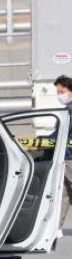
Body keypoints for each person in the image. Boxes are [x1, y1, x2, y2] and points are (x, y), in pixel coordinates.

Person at [54, 75, 72, 226]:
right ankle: (56, 227)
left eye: (61, 91)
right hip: (66, 155)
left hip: (70, 156)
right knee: (64, 192)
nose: (59, 95)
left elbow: (63, 132)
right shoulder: (67, 109)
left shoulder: (70, 110)